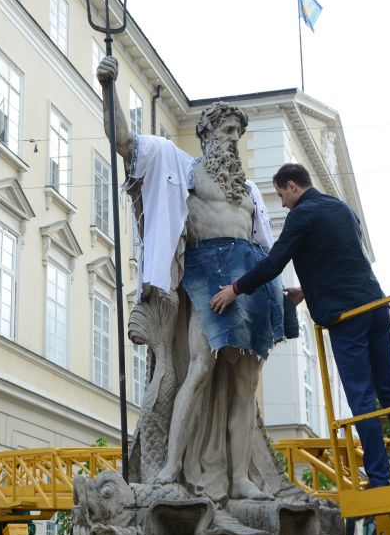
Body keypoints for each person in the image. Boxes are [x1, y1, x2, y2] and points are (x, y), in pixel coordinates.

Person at [96, 55, 291, 501]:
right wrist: (109, 87)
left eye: (238, 134)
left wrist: (285, 292)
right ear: (205, 134)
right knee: (199, 369)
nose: (234, 140)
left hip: (249, 283)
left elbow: (265, 248)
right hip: (205, 276)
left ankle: (239, 477)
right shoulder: (179, 167)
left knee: (245, 386)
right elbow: (125, 142)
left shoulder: (251, 193)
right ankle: (169, 466)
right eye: (226, 132)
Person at [210, 163, 390, 487]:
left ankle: (379, 478)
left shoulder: (301, 215)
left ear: (292, 186)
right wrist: (308, 291)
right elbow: (342, 259)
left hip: (347, 317)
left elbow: (274, 262)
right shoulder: (342, 209)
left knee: (362, 397)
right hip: (376, 306)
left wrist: (234, 289)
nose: (281, 203)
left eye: (281, 195)